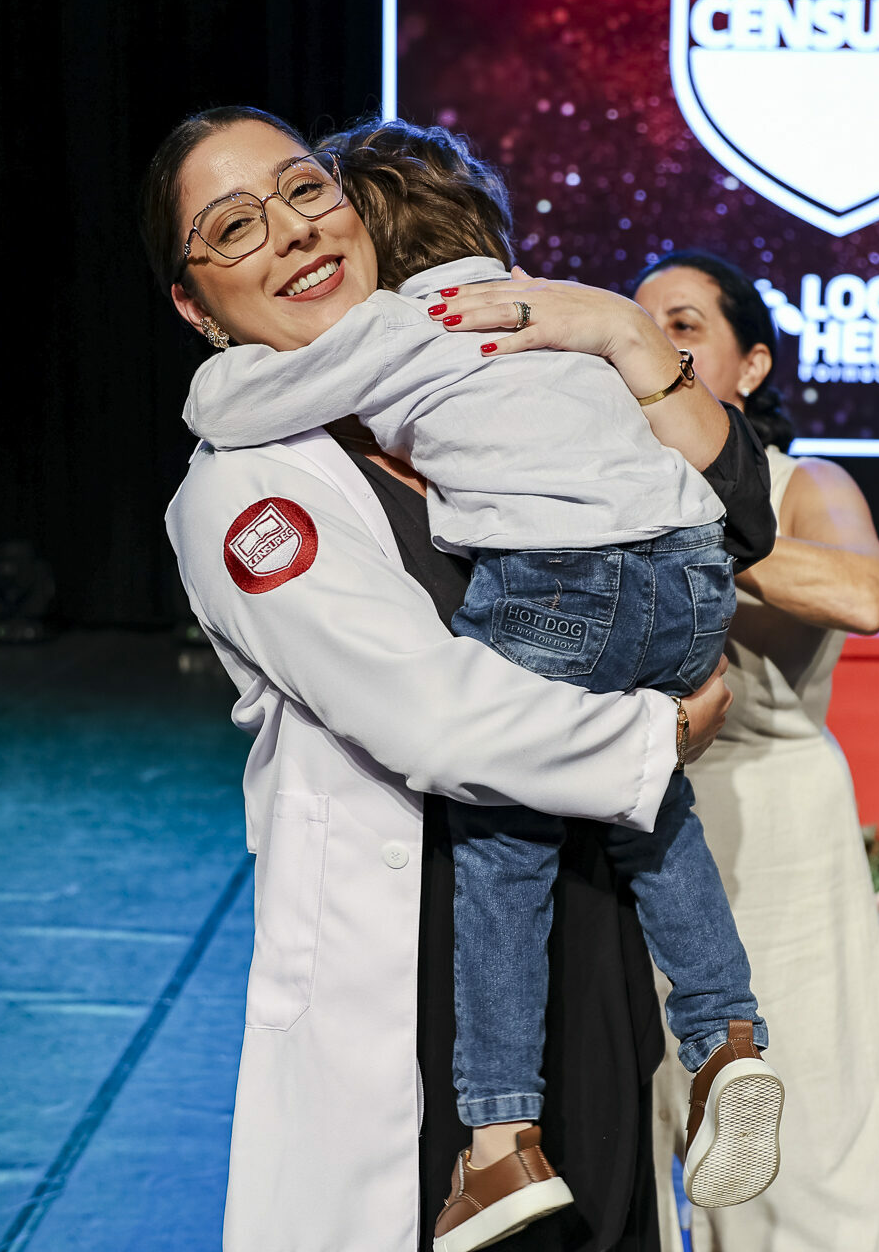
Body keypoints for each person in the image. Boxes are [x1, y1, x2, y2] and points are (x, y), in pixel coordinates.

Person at [142, 106, 779, 1252]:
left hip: (586, 918)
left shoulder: (493, 367)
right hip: (429, 960)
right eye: (236, 226)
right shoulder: (246, 491)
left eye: (305, 190)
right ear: (195, 305)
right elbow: (431, 717)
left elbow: (740, 519)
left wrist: (631, 338)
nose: (291, 230)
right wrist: (659, 735)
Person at [616, 250, 879, 1252]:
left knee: (797, 1124)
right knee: (632, 1112)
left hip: (778, 826)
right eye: (638, 324)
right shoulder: (586, 482)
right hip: (631, 811)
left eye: (684, 326)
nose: (654, 343)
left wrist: (695, 523)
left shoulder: (805, 483)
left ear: (751, 365)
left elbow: (862, 594)